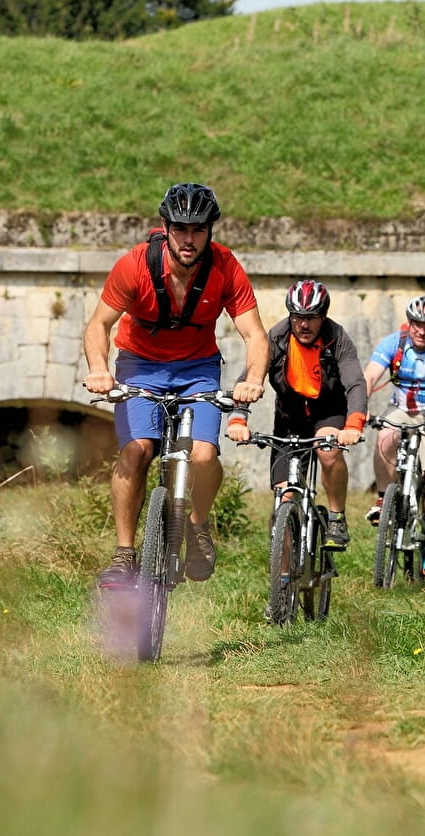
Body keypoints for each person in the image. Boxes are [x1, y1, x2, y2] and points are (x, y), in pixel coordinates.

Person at [83, 182, 268, 588]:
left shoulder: (225, 268)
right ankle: (124, 554)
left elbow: (255, 334)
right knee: (136, 450)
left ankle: (197, 527)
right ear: (165, 227)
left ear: (210, 231)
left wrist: (253, 379)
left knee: (203, 455)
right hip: (139, 365)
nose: (189, 239)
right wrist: (99, 369)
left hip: (198, 369)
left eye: (198, 230)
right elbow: (99, 324)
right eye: (181, 228)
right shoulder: (135, 266)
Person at [225, 279, 366, 550]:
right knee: (283, 496)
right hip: (289, 418)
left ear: (323, 317)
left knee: (328, 451)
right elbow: (250, 377)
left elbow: (355, 383)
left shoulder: (337, 337)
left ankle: (336, 517)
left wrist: (354, 424)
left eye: (311, 318)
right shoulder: (277, 337)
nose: (303, 324)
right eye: (297, 317)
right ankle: (284, 570)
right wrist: (238, 418)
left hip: (328, 412)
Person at [361, 294, 425, 578]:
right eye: (417, 324)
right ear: (409, 324)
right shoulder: (393, 343)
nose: (422, 331)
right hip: (401, 410)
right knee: (385, 436)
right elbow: (369, 377)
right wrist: (361, 408)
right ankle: (383, 500)